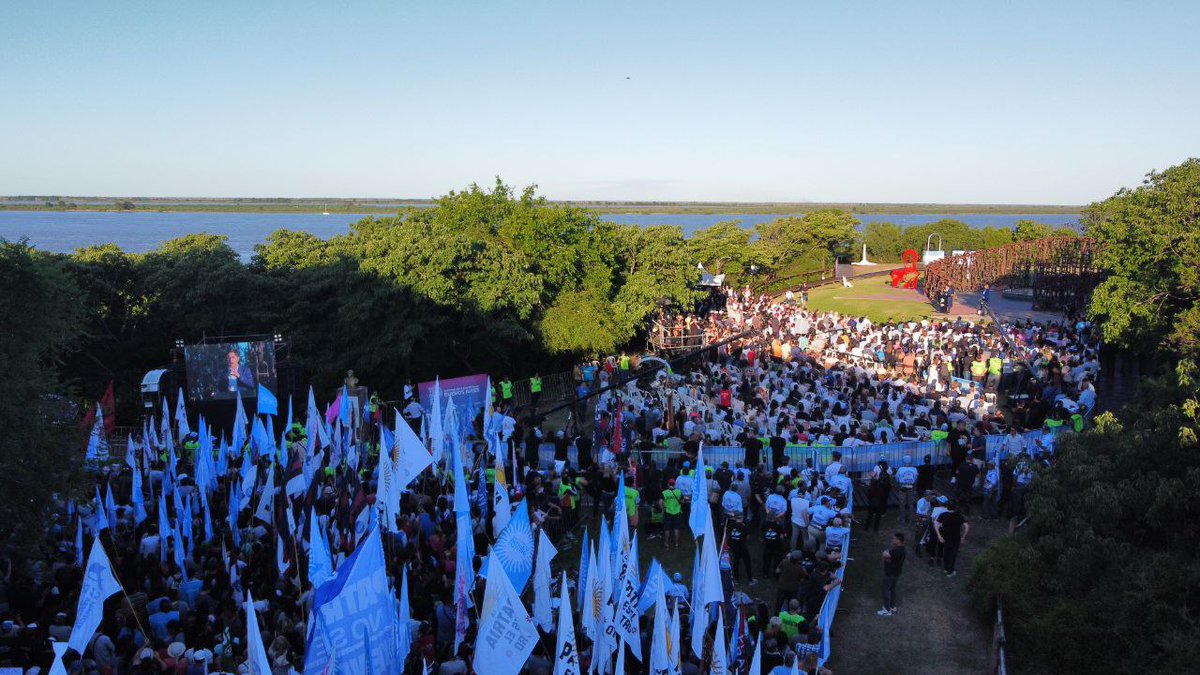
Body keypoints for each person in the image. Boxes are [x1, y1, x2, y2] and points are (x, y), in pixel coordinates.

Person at [934, 502, 969, 577]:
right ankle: (950, 571)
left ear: (947, 507)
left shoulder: (943, 515)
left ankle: (946, 569)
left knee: (946, 553)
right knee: (953, 554)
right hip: (955, 538)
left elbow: (936, 524)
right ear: (955, 507)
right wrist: (963, 537)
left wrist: (939, 536)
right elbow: (966, 526)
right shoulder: (959, 516)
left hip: (945, 537)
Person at [878, 533, 906, 615]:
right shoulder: (901, 549)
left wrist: (885, 555)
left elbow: (885, 555)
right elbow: (888, 558)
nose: (892, 540)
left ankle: (887, 610)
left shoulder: (897, 550)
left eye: (894, 539)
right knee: (892, 589)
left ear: (898, 540)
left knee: (885, 590)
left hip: (890, 573)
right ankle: (892, 607)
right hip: (896, 573)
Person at [660, 478, 683, 550]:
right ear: (674, 484)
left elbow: (660, 502)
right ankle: (676, 544)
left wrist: (663, 509)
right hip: (677, 512)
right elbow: (682, 500)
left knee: (667, 529)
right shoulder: (679, 492)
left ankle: (666, 544)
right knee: (676, 528)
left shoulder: (664, 493)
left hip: (668, 512)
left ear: (668, 484)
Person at [895, 456, 918, 523]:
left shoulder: (900, 469)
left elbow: (897, 479)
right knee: (911, 504)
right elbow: (916, 479)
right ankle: (911, 519)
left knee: (902, 504)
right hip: (911, 487)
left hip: (902, 487)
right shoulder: (914, 469)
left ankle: (902, 519)